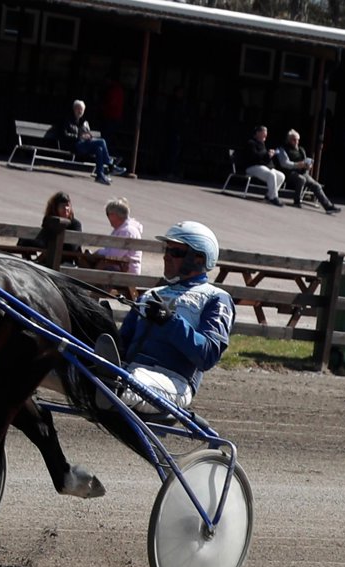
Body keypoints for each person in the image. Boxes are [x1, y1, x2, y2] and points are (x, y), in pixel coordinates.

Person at [114, 221, 235, 413]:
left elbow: (208, 355)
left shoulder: (216, 298)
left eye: (175, 252)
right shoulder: (151, 294)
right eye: (166, 250)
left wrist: (170, 322)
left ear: (198, 258)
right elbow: (121, 344)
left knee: (122, 382)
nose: (166, 256)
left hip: (174, 382)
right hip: (129, 372)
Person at [59, 99, 126, 185]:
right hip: (74, 145)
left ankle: (100, 176)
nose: (80, 111)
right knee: (102, 141)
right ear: (74, 109)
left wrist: (88, 136)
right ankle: (110, 165)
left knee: (99, 149)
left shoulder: (84, 122)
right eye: (78, 109)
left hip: (84, 145)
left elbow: (88, 134)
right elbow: (63, 135)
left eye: (82, 110)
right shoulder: (67, 119)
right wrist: (79, 137)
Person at [275, 129, 341, 214]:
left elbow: (305, 160)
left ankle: (328, 206)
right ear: (289, 139)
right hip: (289, 172)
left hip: (302, 172)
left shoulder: (301, 149)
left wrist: (308, 165)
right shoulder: (282, 148)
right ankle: (297, 201)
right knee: (301, 179)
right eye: (294, 139)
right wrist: (297, 165)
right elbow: (284, 163)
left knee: (316, 185)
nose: (296, 142)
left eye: (297, 140)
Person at [233, 125, 286, 207]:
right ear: (257, 133)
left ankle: (269, 195)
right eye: (263, 133)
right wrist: (267, 154)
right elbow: (255, 157)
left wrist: (270, 155)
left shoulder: (262, 144)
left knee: (281, 176)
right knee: (271, 174)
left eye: (266, 134)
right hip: (251, 167)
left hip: (263, 167)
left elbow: (264, 159)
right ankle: (274, 197)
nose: (266, 136)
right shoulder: (251, 143)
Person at [16, 191, 82, 254]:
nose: (66, 208)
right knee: (25, 238)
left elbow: (72, 247)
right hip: (49, 253)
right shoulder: (49, 220)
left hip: (67, 258)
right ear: (55, 208)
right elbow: (43, 238)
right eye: (62, 206)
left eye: (68, 205)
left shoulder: (75, 224)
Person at [92, 196, 142, 275]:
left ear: (113, 215)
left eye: (108, 214)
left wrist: (98, 252)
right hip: (120, 266)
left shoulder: (126, 231)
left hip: (125, 270)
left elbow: (114, 255)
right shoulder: (121, 229)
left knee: (93, 266)